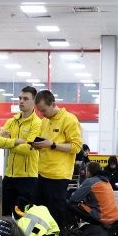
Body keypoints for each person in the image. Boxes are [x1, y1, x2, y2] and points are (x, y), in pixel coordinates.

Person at [31, 90, 81, 228]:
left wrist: (52, 144)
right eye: (40, 111)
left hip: (58, 177)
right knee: (39, 213)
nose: (42, 114)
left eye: (44, 110)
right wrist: (38, 145)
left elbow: (76, 147)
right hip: (42, 174)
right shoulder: (45, 121)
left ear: (53, 104)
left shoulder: (69, 120)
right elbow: (44, 142)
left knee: (56, 215)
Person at [0, 86, 41, 215]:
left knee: (24, 218)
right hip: (9, 176)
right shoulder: (11, 122)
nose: (21, 101)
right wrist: (16, 141)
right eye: (20, 98)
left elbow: (28, 149)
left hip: (28, 178)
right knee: (4, 215)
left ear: (34, 101)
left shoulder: (37, 124)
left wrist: (8, 143)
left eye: (25, 98)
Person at [69, 161, 118, 226]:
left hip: (102, 218)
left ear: (88, 172)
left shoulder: (90, 181)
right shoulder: (106, 181)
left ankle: (71, 229)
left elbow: (74, 199)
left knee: (70, 205)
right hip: (115, 217)